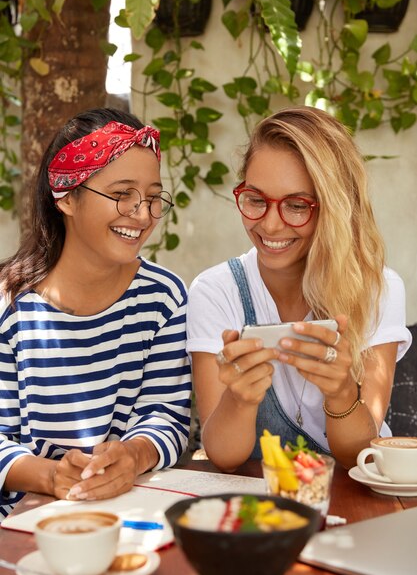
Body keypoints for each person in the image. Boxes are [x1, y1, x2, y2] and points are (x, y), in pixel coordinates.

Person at [186, 106, 411, 471]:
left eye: (296, 205)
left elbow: (360, 456)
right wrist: (240, 400)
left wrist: (340, 394)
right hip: (261, 509)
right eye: (256, 200)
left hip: (353, 498)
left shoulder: (377, 288)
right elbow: (223, 456)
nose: (271, 225)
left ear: (334, 209)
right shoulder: (216, 291)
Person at [0, 108, 192, 520]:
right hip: (20, 527)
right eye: (122, 194)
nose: (141, 215)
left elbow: (166, 416)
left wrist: (134, 455)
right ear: (67, 195)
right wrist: (50, 477)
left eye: (153, 198)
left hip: (129, 516)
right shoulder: (8, 306)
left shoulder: (163, 298)